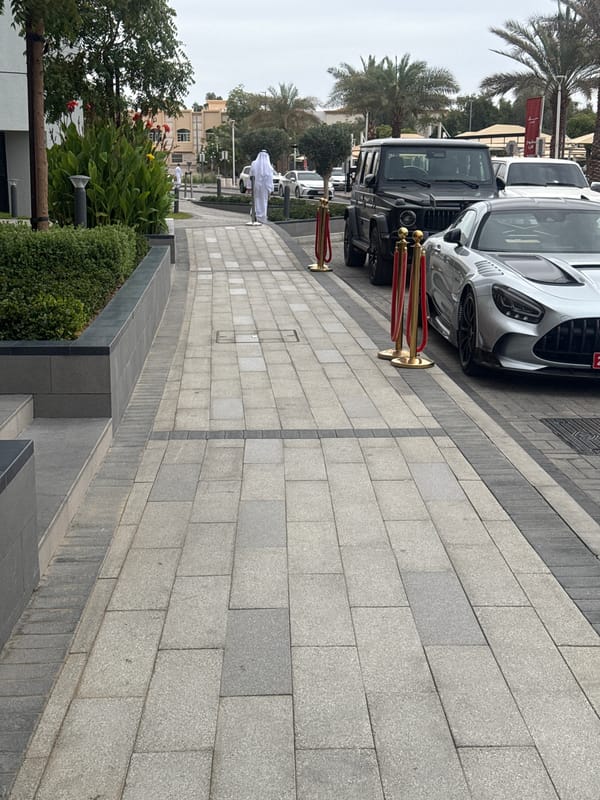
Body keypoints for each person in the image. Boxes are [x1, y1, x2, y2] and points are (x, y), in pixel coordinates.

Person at [249, 150, 274, 223]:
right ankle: (262, 216)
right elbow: (270, 178)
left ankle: (255, 213)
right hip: (265, 187)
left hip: (256, 185)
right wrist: (271, 189)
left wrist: (250, 186)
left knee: (256, 199)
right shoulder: (269, 166)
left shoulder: (254, 163)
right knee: (263, 201)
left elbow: (251, 175)